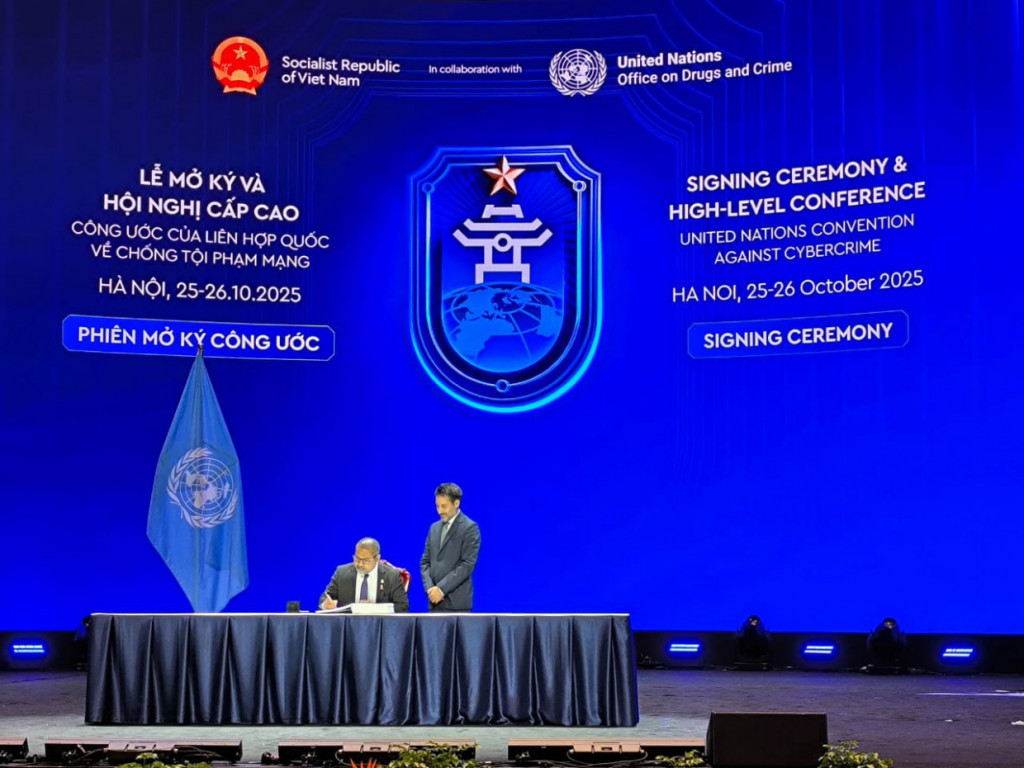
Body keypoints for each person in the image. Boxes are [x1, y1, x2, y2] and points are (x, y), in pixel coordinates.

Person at [420, 482, 481, 612]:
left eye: (444, 506)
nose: (439, 511)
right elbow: (425, 562)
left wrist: (441, 589)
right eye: (437, 506)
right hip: (434, 603)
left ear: (456, 503)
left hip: (457, 605)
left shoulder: (470, 528)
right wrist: (430, 589)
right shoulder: (434, 528)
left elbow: (467, 565)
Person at [320, 537, 409, 612]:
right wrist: (326, 605)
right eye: (357, 558)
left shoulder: (392, 576)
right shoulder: (342, 573)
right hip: (348, 624)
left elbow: (402, 606)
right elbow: (326, 597)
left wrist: (374, 609)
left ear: (377, 558)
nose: (359, 564)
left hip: (379, 625)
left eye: (365, 560)